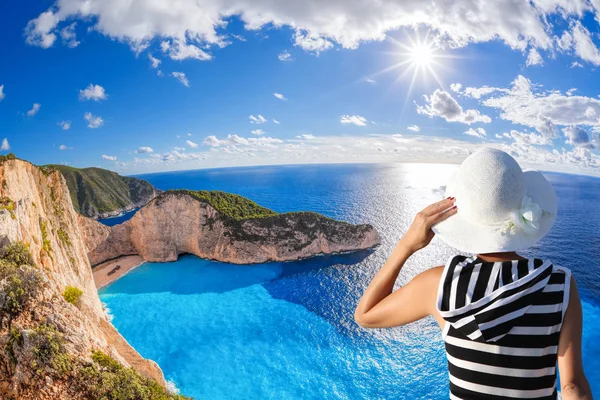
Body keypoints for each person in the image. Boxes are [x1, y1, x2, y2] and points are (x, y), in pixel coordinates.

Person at [354, 148, 592, 400]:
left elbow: (365, 315)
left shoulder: (440, 285)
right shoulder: (560, 284)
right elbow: (572, 387)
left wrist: (406, 246)